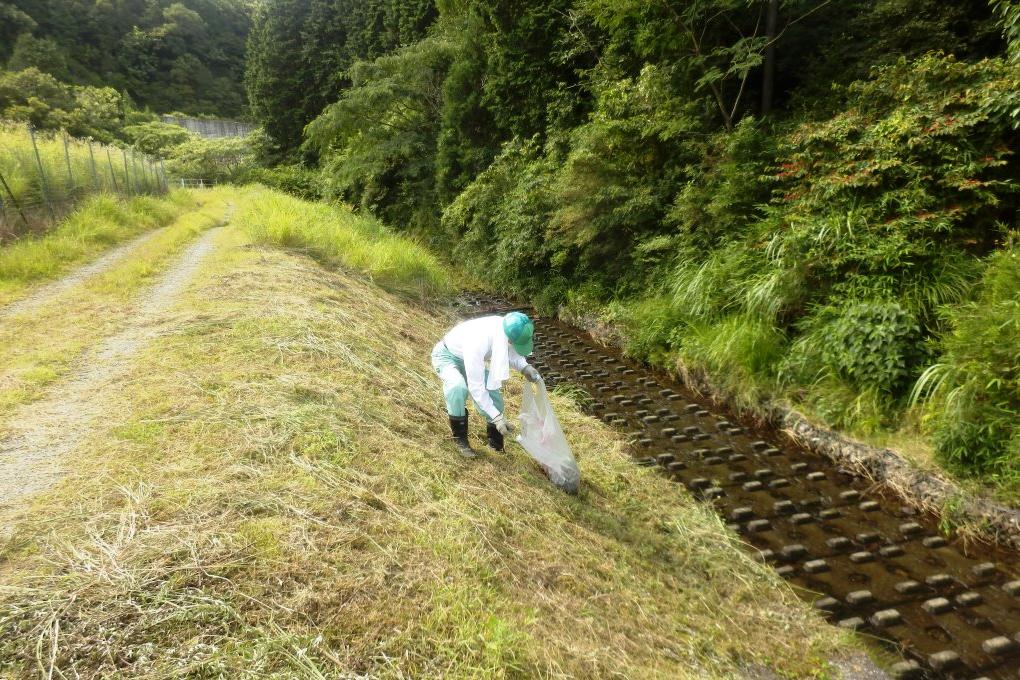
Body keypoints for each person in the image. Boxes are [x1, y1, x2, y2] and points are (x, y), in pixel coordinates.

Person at [431, 311, 543, 458]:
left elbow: (510, 351)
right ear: (508, 338)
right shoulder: (478, 340)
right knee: (457, 387)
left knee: (495, 399)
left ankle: (495, 445)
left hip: (470, 359)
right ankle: (460, 440)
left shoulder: (508, 327)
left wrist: (524, 366)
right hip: (448, 356)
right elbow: (476, 387)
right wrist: (497, 418)